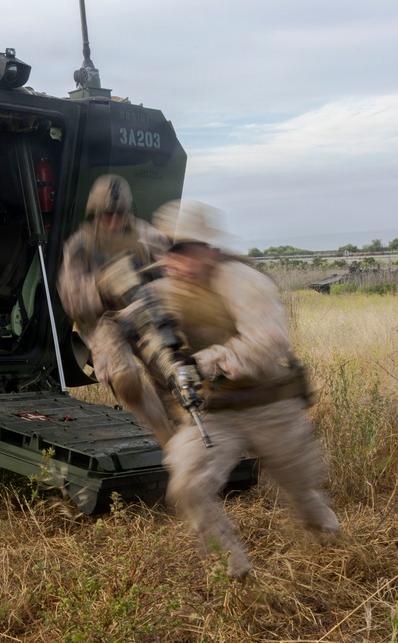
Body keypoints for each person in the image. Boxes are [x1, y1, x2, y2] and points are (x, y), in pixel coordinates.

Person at [150, 200, 340, 581]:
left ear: (208, 249)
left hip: (269, 403)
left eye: (183, 249)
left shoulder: (242, 281)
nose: (174, 260)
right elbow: (132, 328)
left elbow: (269, 341)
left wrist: (207, 362)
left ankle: (339, 552)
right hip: (216, 412)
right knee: (187, 483)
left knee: (303, 494)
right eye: (168, 250)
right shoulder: (161, 291)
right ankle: (235, 573)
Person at [58, 174, 176, 447]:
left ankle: (184, 430)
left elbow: (172, 271)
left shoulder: (146, 235)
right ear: (95, 213)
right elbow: (71, 300)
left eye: (120, 214)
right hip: (103, 323)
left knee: (171, 372)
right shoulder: (80, 245)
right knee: (125, 379)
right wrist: (101, 286)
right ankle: (162, 431)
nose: (114, 221)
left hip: (144, 314)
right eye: (107, 215)